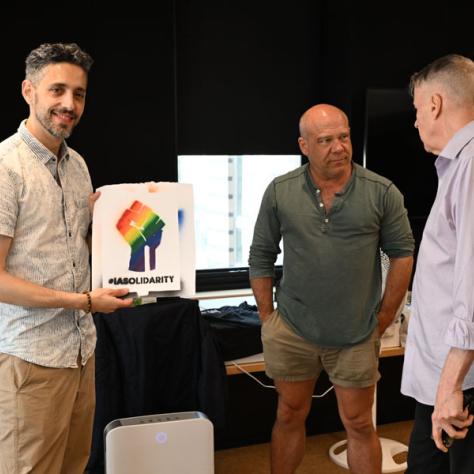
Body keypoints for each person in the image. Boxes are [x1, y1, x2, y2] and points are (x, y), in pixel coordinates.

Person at [248, 104, 414, 474]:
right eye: (325, 140)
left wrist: (384, 317)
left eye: (344, 136)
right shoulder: (280, 191)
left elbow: (403, 254)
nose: (339, 147)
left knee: (358, 424)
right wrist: (267, 319)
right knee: (289, 414)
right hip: (292, 329)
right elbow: (260, 256)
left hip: (355, 334)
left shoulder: (382, 192)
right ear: (304, 145)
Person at [0, 43, 133, 474]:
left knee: (74, 466)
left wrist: (109, 229)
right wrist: (84, 302)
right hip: (30, 358)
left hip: (80, 352)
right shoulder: (6, 167)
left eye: (79, 94)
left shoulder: (77, 165)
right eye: (57, 90)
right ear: (28, 91)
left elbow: (78, 251)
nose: (69, 104)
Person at [401, 54, 474, 474]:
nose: (415, 122)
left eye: (416, 110)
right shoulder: (456, 167)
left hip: (457, 388)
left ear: (434, 104)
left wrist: (450, 387)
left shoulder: (469, 166)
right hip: (440, 385)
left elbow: (470, 286)